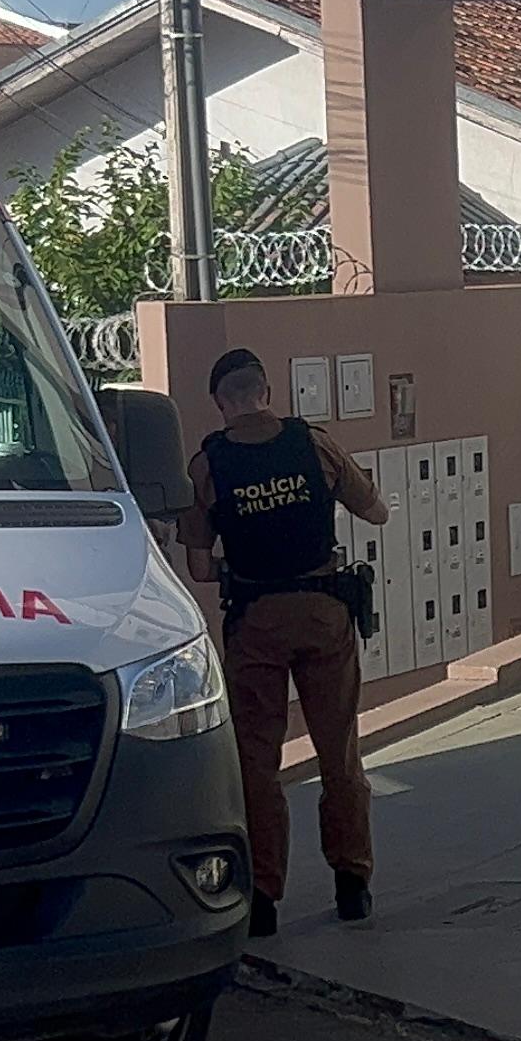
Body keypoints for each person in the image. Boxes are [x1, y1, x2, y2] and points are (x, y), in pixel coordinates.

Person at [181, 349, 389, 937]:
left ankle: (265, 899)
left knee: (256, 764)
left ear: (221, 403)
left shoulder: (209, 465)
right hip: (324, 616)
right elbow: (375, 513)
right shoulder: (314, 444)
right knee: (339, 753)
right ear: (267, 392)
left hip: (256, 624)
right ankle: (352, 885)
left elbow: (199, 567)